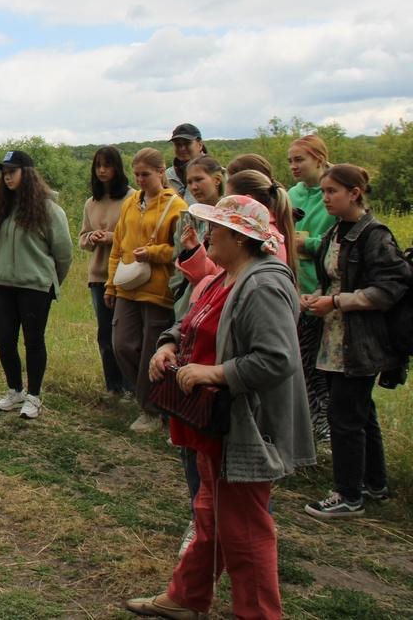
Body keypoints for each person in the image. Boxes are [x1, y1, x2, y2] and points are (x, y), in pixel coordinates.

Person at [129, 196, 313, 620]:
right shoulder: (223, 277)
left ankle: (259, 613)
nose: (208, 235)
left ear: (241, 238)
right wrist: (169, 345)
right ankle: (187, 597)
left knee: (245, 530)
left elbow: (278, 359)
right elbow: (188, 319)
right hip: (215, 425)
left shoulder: (263, 284)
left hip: (244, 428)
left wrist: (215, 373)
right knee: (211, 514)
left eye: (217, 229)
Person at [302, 164, 411, 519]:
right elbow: (333, 278)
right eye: (323, 191)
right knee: (360, 412)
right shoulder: (338, 231)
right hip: (335, 336)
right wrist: (316, 297)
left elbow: (391, 287)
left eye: (333, 191)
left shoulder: (374, 235)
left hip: (360, 340)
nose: (326, 197)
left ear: (355, 193)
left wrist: (336, 302)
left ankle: (348, 495)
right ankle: (374, 482)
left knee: (344, 416)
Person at [0, 150, 73, 420]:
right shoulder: (4, 208)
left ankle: (34, 396)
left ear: (28, 173)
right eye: (4, 173)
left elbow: (64, 254)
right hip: (4, 284)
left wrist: (49, 282)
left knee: (33, 342)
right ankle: (15, 390)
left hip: (35, 287)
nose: (7, 177)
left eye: (12, 171)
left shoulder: (50, 210)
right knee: (4, 341)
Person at [108, 148, 186, 432]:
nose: (140, 180)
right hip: (128, 285)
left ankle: (152, 410)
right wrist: (111, 285)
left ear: (161, 172)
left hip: (157, 288)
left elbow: (181, 249)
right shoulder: (131, 203)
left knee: (150, 353)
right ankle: (150, 401)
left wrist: (152, 253)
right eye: (137, 174)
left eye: (146, 174)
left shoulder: (176, 206)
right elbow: (118, 244)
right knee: (122, 344)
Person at [288, 134, 337, 441]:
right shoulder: (292, 193)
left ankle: (327, 426)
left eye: (299, 160)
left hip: (323, 287)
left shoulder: (332, 192)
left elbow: (337, 240)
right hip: (295, 285)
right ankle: (310, 423)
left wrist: (307, 243)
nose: (293, 166)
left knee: (322, 364)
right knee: (302, 360)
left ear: (319, 159)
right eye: (290, 160)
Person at [79, 146, 134, 400]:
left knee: (125, 335)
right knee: (104, 334)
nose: (102, 170)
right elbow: (82, 239)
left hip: (127, 274)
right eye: (98, 165)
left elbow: (136, 236)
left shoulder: (132, 198)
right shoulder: (91, 202)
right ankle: (113, 386)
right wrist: (93, 237)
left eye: (107, 165)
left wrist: (112, 237)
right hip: (98, 275)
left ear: (117, 168)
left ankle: (132, 387)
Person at [170, 155, 224, 320]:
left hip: (218, 302)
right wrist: (177, 292)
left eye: (199, 179)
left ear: (217, 180)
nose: (194, 186)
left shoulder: (229, 218)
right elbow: (176, 262)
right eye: (190, 182)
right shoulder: (187, 218)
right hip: (187, 303)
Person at [165, 124, 206, 204]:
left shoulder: (216, 173)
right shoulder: (167, 176)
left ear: (200, 145)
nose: (182, 148)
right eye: (178, 144)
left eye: (187, 143)